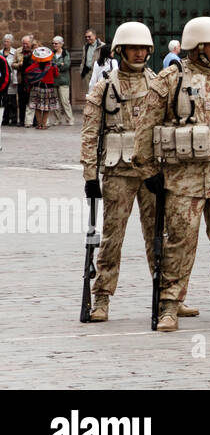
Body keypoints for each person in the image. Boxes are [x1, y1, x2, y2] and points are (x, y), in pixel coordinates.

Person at [133, 16, 210, 332]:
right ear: (198, 46)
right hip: (182, 180)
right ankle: (169, 307)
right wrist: (148, 170)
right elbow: (145, 127)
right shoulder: (169, 80)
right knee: (179, 243)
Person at [81, 22, 174, 322]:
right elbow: (90, 133)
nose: (138, 53)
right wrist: (90, 177)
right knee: (112, 238)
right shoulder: (105, 86)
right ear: (120, 50)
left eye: (143, 48)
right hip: (118, 173)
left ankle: (166, 295)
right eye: (133, 48)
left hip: (151, 173)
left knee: (158, 235)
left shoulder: (159, 84)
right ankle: (102, 297)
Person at [27, 46, 58, 129]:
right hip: (48, 88)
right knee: (46, 107)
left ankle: (39, 124)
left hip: (37, 87)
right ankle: (44, 124)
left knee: (37, 106)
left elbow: (27, 71)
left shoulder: (35, 65)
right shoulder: (52, 66)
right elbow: (56, 75)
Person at [51, 36, 72, 126]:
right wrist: (60, 64)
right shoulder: (52, 54)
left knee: (65, 101)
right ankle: (57, 119)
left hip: (63, 81)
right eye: (53, 43)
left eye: (56, 43)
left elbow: (66, 65)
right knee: (55, 102)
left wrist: (56, 65)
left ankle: (69, 118)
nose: (54, 45)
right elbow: (50, 66)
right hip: (54, 81)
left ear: (61, 44)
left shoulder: (65, 54)